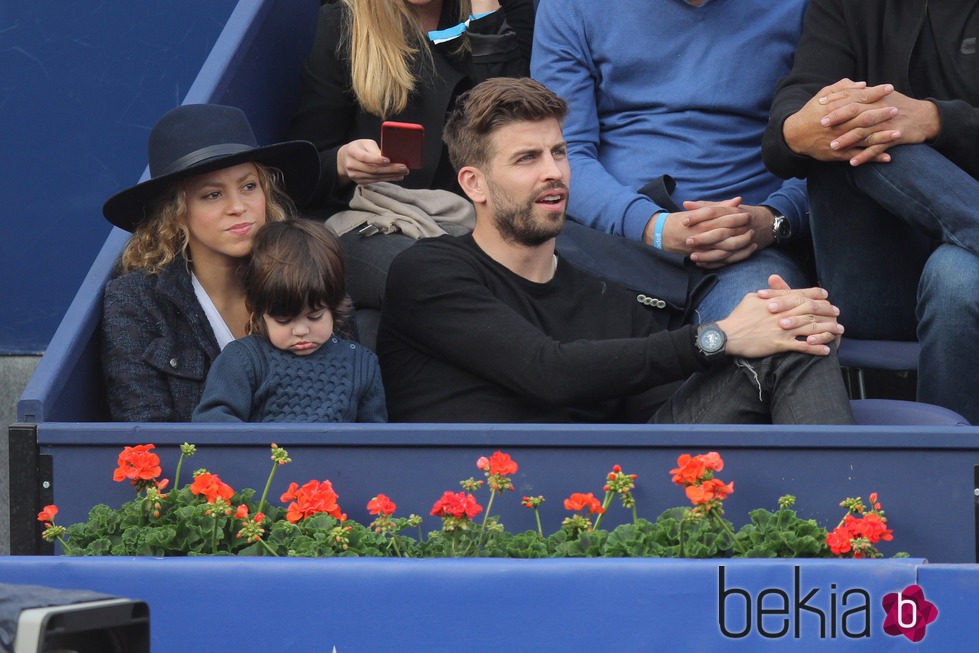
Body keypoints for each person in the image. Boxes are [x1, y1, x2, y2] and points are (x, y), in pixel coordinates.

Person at [377, 77, 854, 424]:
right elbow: (548, 371)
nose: (554, 173)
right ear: (473, 184)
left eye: (559, 153)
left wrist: (781, 322)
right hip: (477, 514)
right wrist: (719, 336)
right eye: (527, 158)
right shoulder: (428, 272)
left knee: (796, 332)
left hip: (610, 505)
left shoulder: (609, 298)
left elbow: (661, 425)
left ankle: (848, 541)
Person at [761, 0, 979, 423]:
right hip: (875, 278)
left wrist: (937, 121)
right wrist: (797, 129)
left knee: (957, 278)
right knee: (849, 124)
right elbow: (796, 107)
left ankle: (947, 478)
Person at [530, 0, 812, 323]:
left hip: (750, 251)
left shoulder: (800, 7)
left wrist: (775, 218)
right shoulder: (571, 7)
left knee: (777, 329)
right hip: (612, 243)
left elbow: (832, 146)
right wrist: (651, 226)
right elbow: (563, 154)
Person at [288, 0, 535, 312]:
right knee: (437, 279)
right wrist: (342, 162)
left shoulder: (503, 9)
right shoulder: (346, 22)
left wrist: (485, 15)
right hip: (381, 218)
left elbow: (517, 125)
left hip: (485, 210)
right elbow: (300, 167)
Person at [101, 103, 321, 422]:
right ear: (175, 213)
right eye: (212, 195)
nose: (238, 206)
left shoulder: (307, 275)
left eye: (248, 186)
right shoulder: (138, 300)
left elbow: (346, 406)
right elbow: (144, 429)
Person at [192, 220, 386, 422]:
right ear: (260, 312)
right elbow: (213, 425)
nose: (301, 330)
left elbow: (373, 440)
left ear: (334, 305)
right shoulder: (243, 359)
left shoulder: (361, 364)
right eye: (284, 320)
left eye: (315, 316)